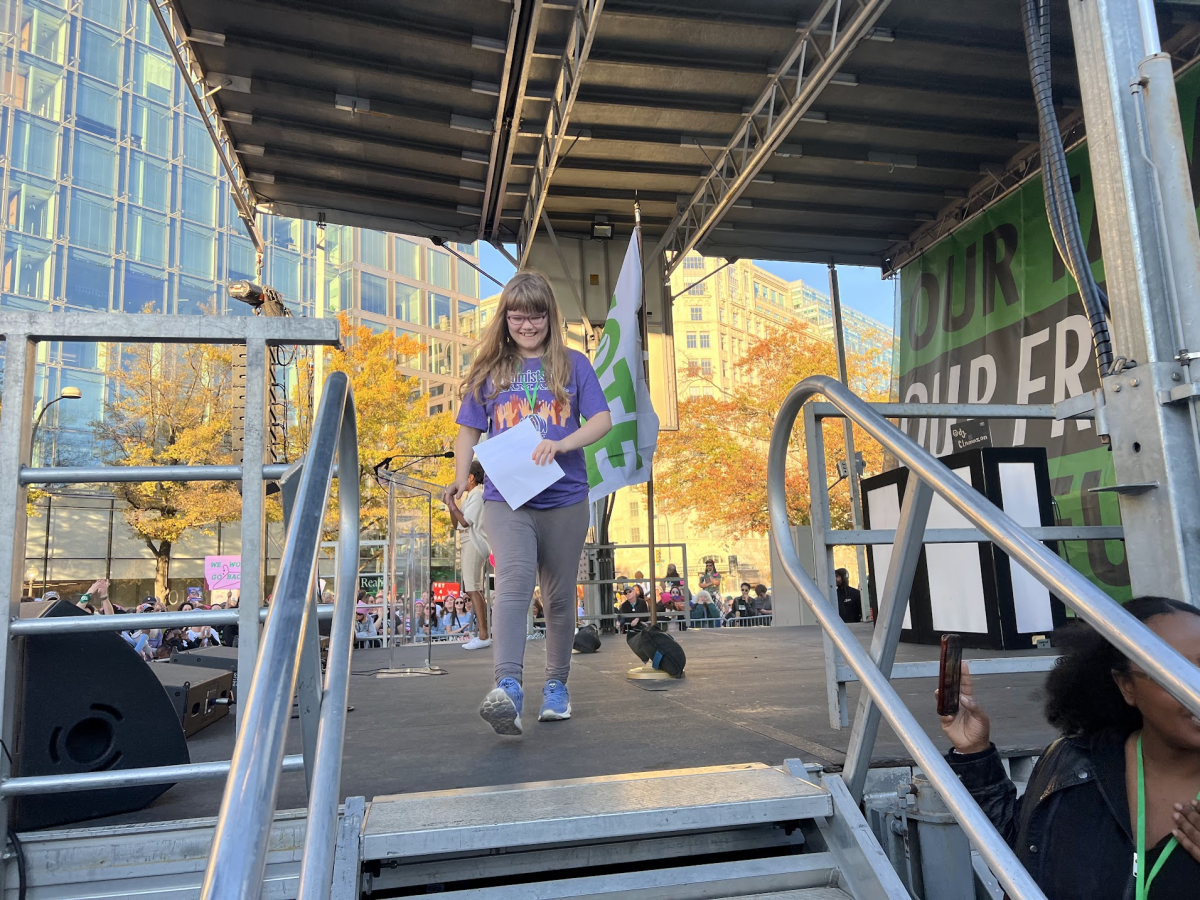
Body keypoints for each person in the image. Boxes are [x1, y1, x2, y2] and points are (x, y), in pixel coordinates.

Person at [941, 597, 1200, 900]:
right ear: (1127, 686)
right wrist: (975, 752)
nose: (1194, 687)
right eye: (1176, 672)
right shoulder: (1073, 762)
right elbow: (1022, 858)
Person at [445, 270, 612, 735]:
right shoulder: (489, 370)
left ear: (549, 317)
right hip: (506, 497)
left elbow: (602, 419)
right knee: (514, 584)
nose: (526, 325)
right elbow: (468, 431)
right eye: (517, 317)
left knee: (559, 598)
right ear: (505, 319)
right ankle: (509, 689)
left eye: (535, 316)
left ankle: (556, 686)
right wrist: (461, 481)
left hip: (564, 498)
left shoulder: (574, 365)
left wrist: (563, 444)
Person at [450, 460, 492, 651]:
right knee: (473, 588)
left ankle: (483, 635)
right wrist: (451, 504)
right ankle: (482, 634)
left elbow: (466, 522)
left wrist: (452, 505)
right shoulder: (469, 496)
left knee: (473, 589)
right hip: (468, 543)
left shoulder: (478, 494)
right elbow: (456, 523)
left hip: (474, 543)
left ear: (472, 478)